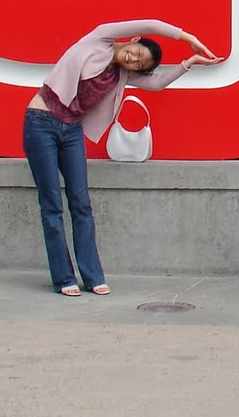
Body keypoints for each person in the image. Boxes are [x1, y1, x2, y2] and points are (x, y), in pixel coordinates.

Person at [25, 20, 219, 297]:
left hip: (71, 130)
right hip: (41, 122)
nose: (133, 60)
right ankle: (64, 278)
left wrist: (189, 62)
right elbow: (151, 23)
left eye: (139, 64)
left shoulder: (121, 75)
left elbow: (157, 84)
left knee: (81, 204)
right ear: (134, 40)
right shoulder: (99, 39)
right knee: (52, 204)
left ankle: (92, 276)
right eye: (137, 53)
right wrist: (189, 38)